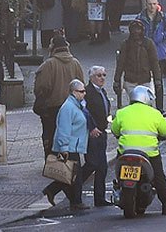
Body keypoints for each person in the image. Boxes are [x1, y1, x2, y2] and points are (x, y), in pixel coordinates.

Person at [111, 85, 166, 216]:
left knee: (118, 177)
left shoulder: (122, 112)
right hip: (149, 154)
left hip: (125, 153)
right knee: (159, 178)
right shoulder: (155, 113)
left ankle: (119, 186)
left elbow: (114, 130)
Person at [43, 79, 92, 211]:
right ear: (73, 92)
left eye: (84, 91)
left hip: (73, 146)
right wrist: (64, 148)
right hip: (68, 147)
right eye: (81, 91)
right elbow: (63, 129)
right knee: (74, 176)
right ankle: (76, 202)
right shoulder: (68, 107)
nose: (84, 94)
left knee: (69, 175)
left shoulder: (76, 105)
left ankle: (52, 191)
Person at [33, 35, 85, 156]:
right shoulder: (76, 63)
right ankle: (71, 164)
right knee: (71, 136)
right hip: (73, 107)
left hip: (53, 108)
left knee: (51, 136)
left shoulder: (48, 65)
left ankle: (53, 166)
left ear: (53, 47)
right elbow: (82, 84)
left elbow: (41, 87)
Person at [77, 66, 111, 207]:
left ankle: (100, 198)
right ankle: (72, 187)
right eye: (98, 75)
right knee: (92, 164)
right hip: (91, 134)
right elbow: (83, 112)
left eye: (104, 75)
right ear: (91, 77)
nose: (102, 78)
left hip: (101, 132)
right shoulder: (88, 92)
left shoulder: (102, 91)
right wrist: (91, 127)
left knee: (102, 167)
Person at [114, 20, 164, 109]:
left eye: (138, 29)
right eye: (134, 29)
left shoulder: (148, 43)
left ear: (142, 30)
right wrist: (117, 80)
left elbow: (154, 63)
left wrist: (157, 79)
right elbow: (120, 64)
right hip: (130, 81)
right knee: (134, 105)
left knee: (148, 104)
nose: (136, 32)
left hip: (145, 81)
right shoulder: (126, 44)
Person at [136, 0, 166, 64]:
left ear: (157, 4)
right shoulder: (139, 18)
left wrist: (162, 35)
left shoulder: (164, 17)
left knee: (158, 74)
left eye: (154, 4)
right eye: (150, 4)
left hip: (159, 54)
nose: (152, 6)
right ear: (146, 4)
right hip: (144, 53)